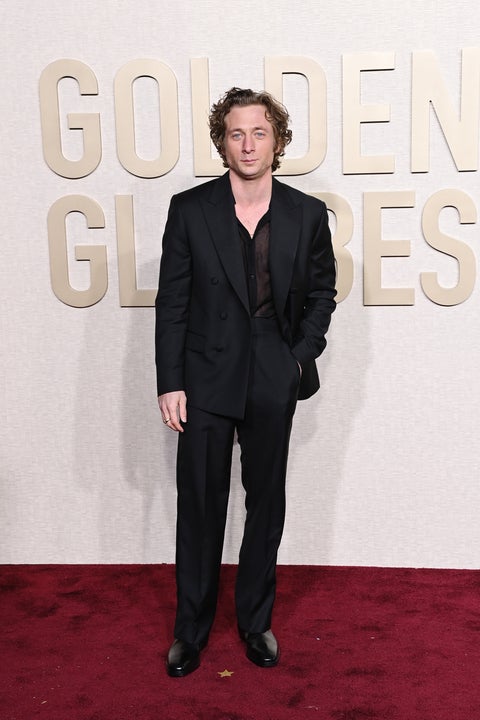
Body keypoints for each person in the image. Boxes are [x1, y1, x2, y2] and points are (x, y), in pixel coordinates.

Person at [155, 87, 336, 677]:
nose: (249, 144)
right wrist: (170, 381)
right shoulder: (190, 208)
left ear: (276, 140)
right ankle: (190, 632)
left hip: (271, 369)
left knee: (266, 502)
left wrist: (297, 359)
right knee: (200, 503)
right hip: (205, 372)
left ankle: (256, 623)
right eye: (237, 133)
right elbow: (172, 302)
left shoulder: (306, 213)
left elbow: (322, 294)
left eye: (259, 132)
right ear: (223, 142)